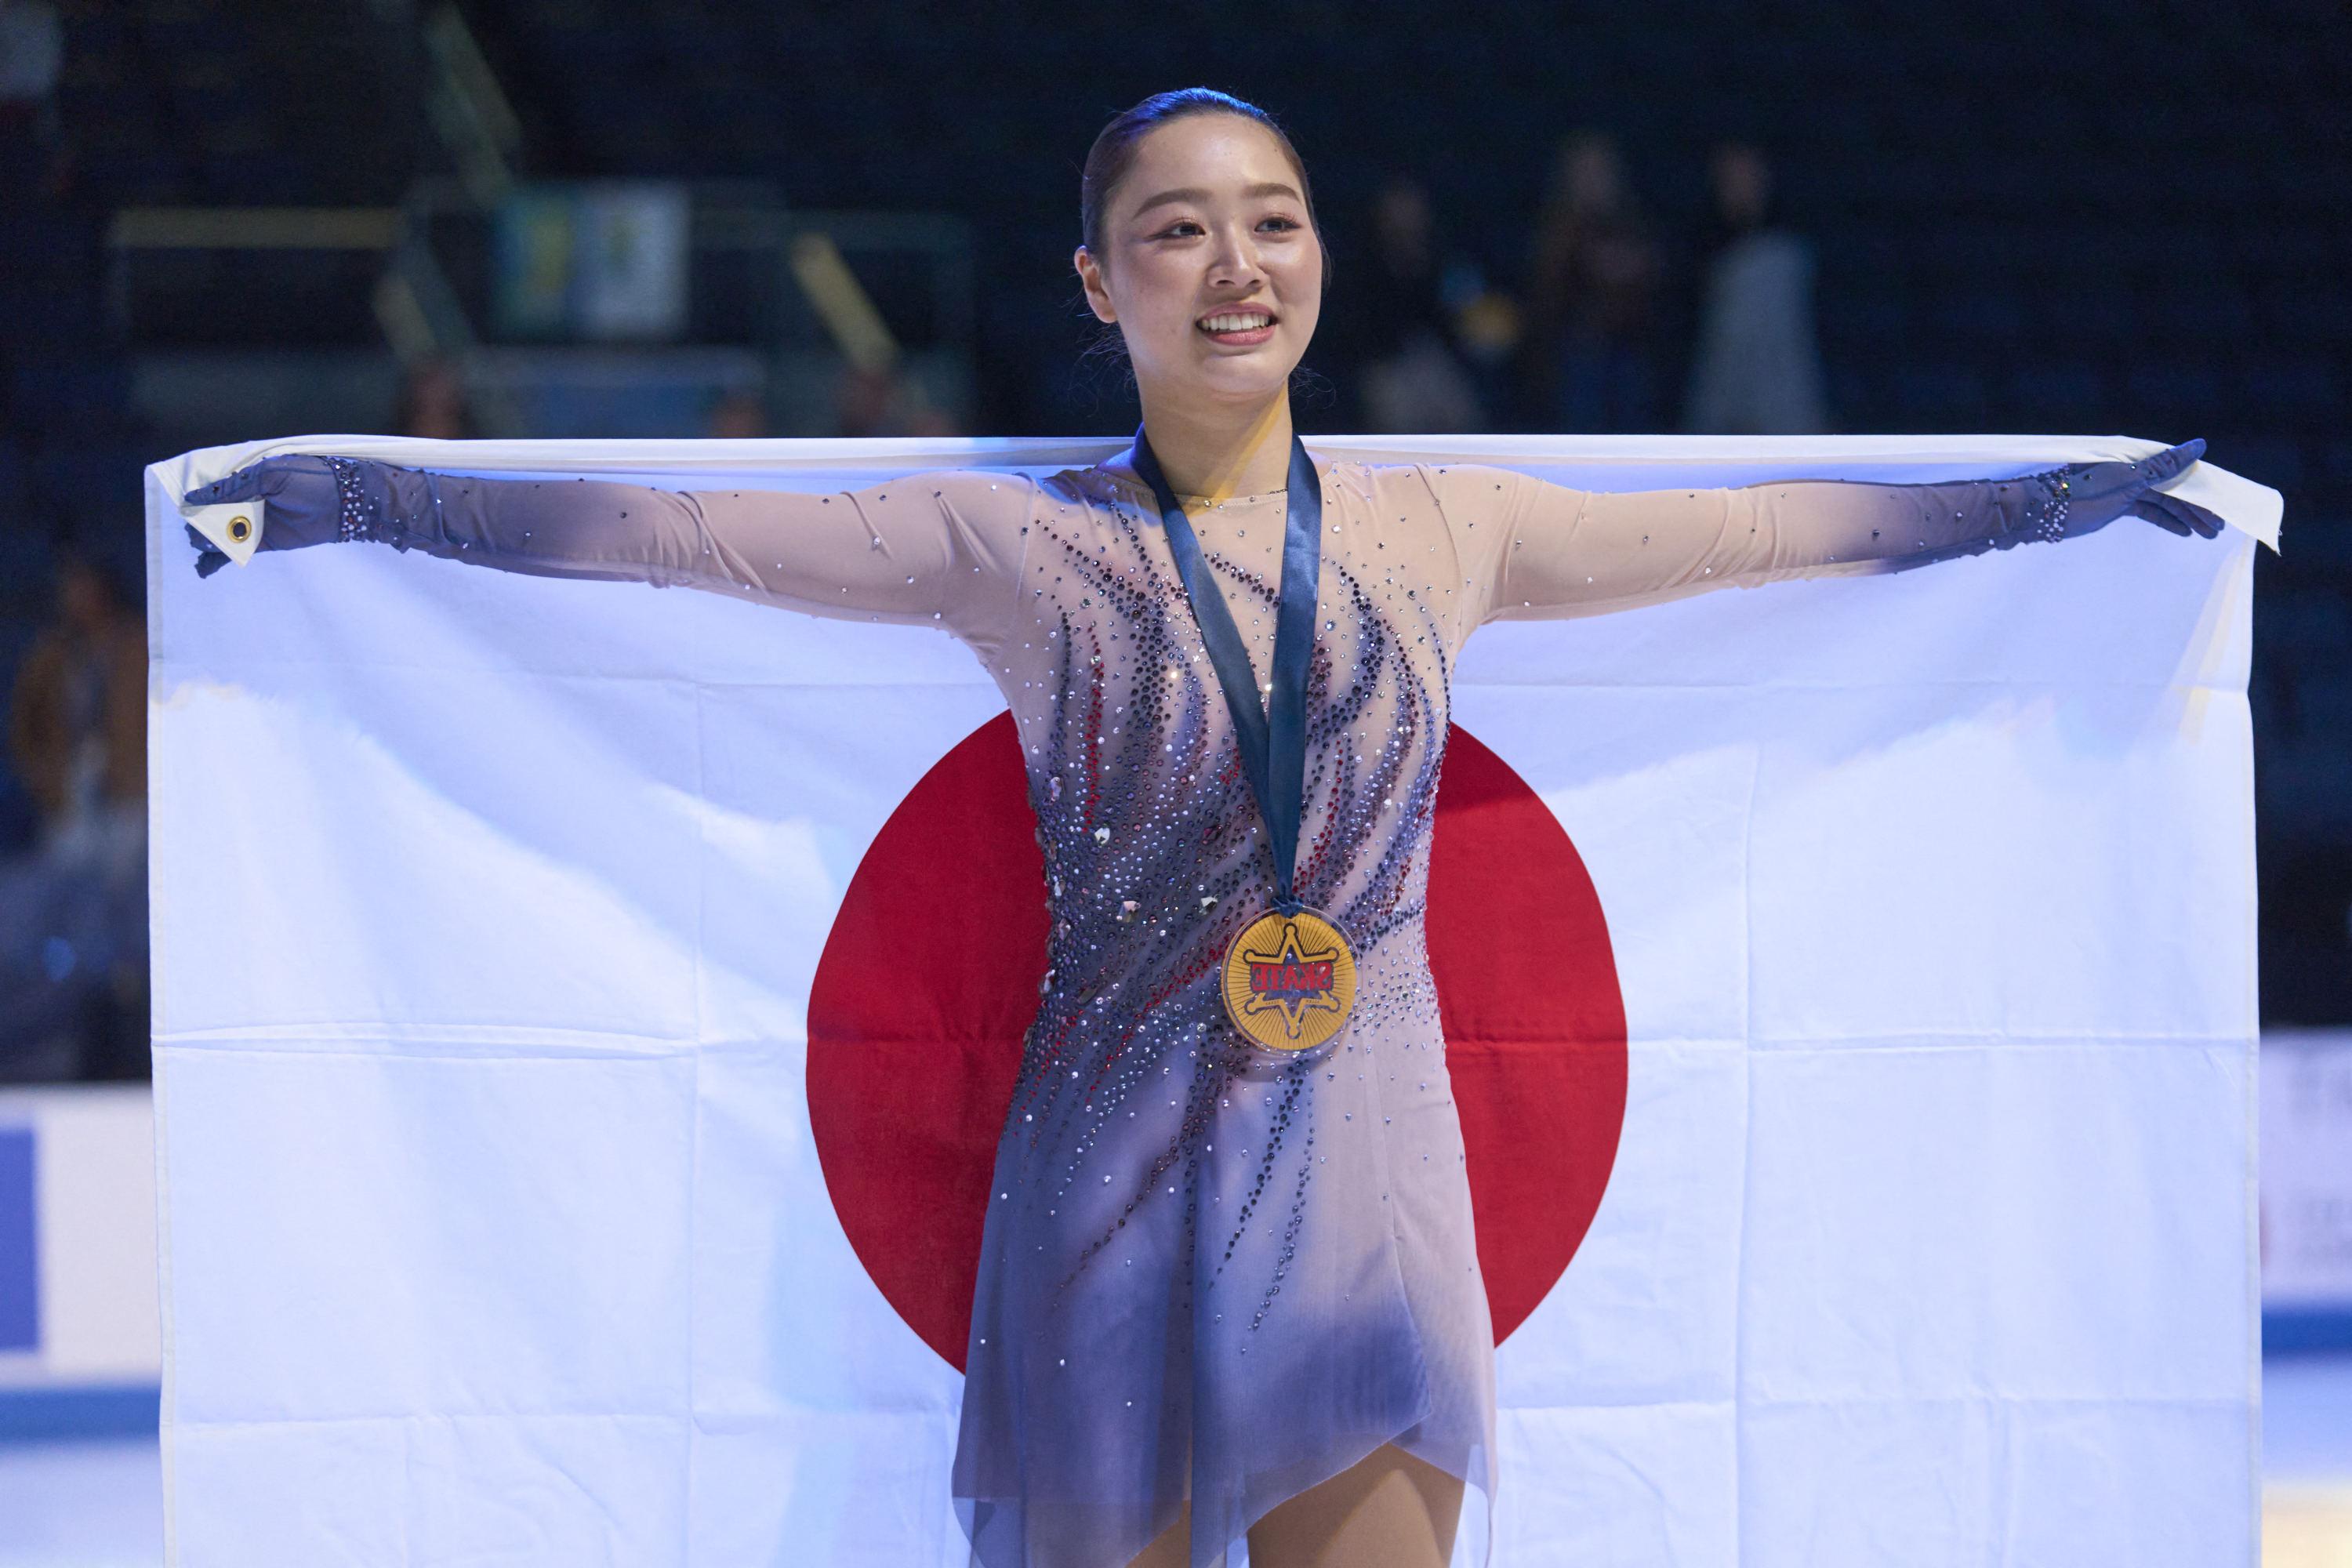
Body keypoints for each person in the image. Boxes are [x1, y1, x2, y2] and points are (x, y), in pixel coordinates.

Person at [182, 88, 2222, 1568]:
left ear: (1318, 255)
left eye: (1274, 217)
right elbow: (681, 533)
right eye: (1178, 225)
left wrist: (2042, 508)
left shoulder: (1449, 524)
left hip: (1367, 1189)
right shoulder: (1013, 541)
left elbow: (1768, 531)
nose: (1235, 262)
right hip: (1111, 1190)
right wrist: (368, 497)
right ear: (1099, 279)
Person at [1682, 141, 1833, 434]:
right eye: (1732, 179)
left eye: (1748, 176)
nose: (1741, 187)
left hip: (1786, 394)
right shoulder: (1700, 250)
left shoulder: (1791, 246)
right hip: (1721, 391)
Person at [1523, 131, 1666, 434]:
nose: (1592, 180)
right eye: (1584, 171)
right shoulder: (1559, 225)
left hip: (1629, 343)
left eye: (1599, 171)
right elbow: (1548, 291)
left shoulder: (1632, 220)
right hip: (1576, 347)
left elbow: (1650, 272)